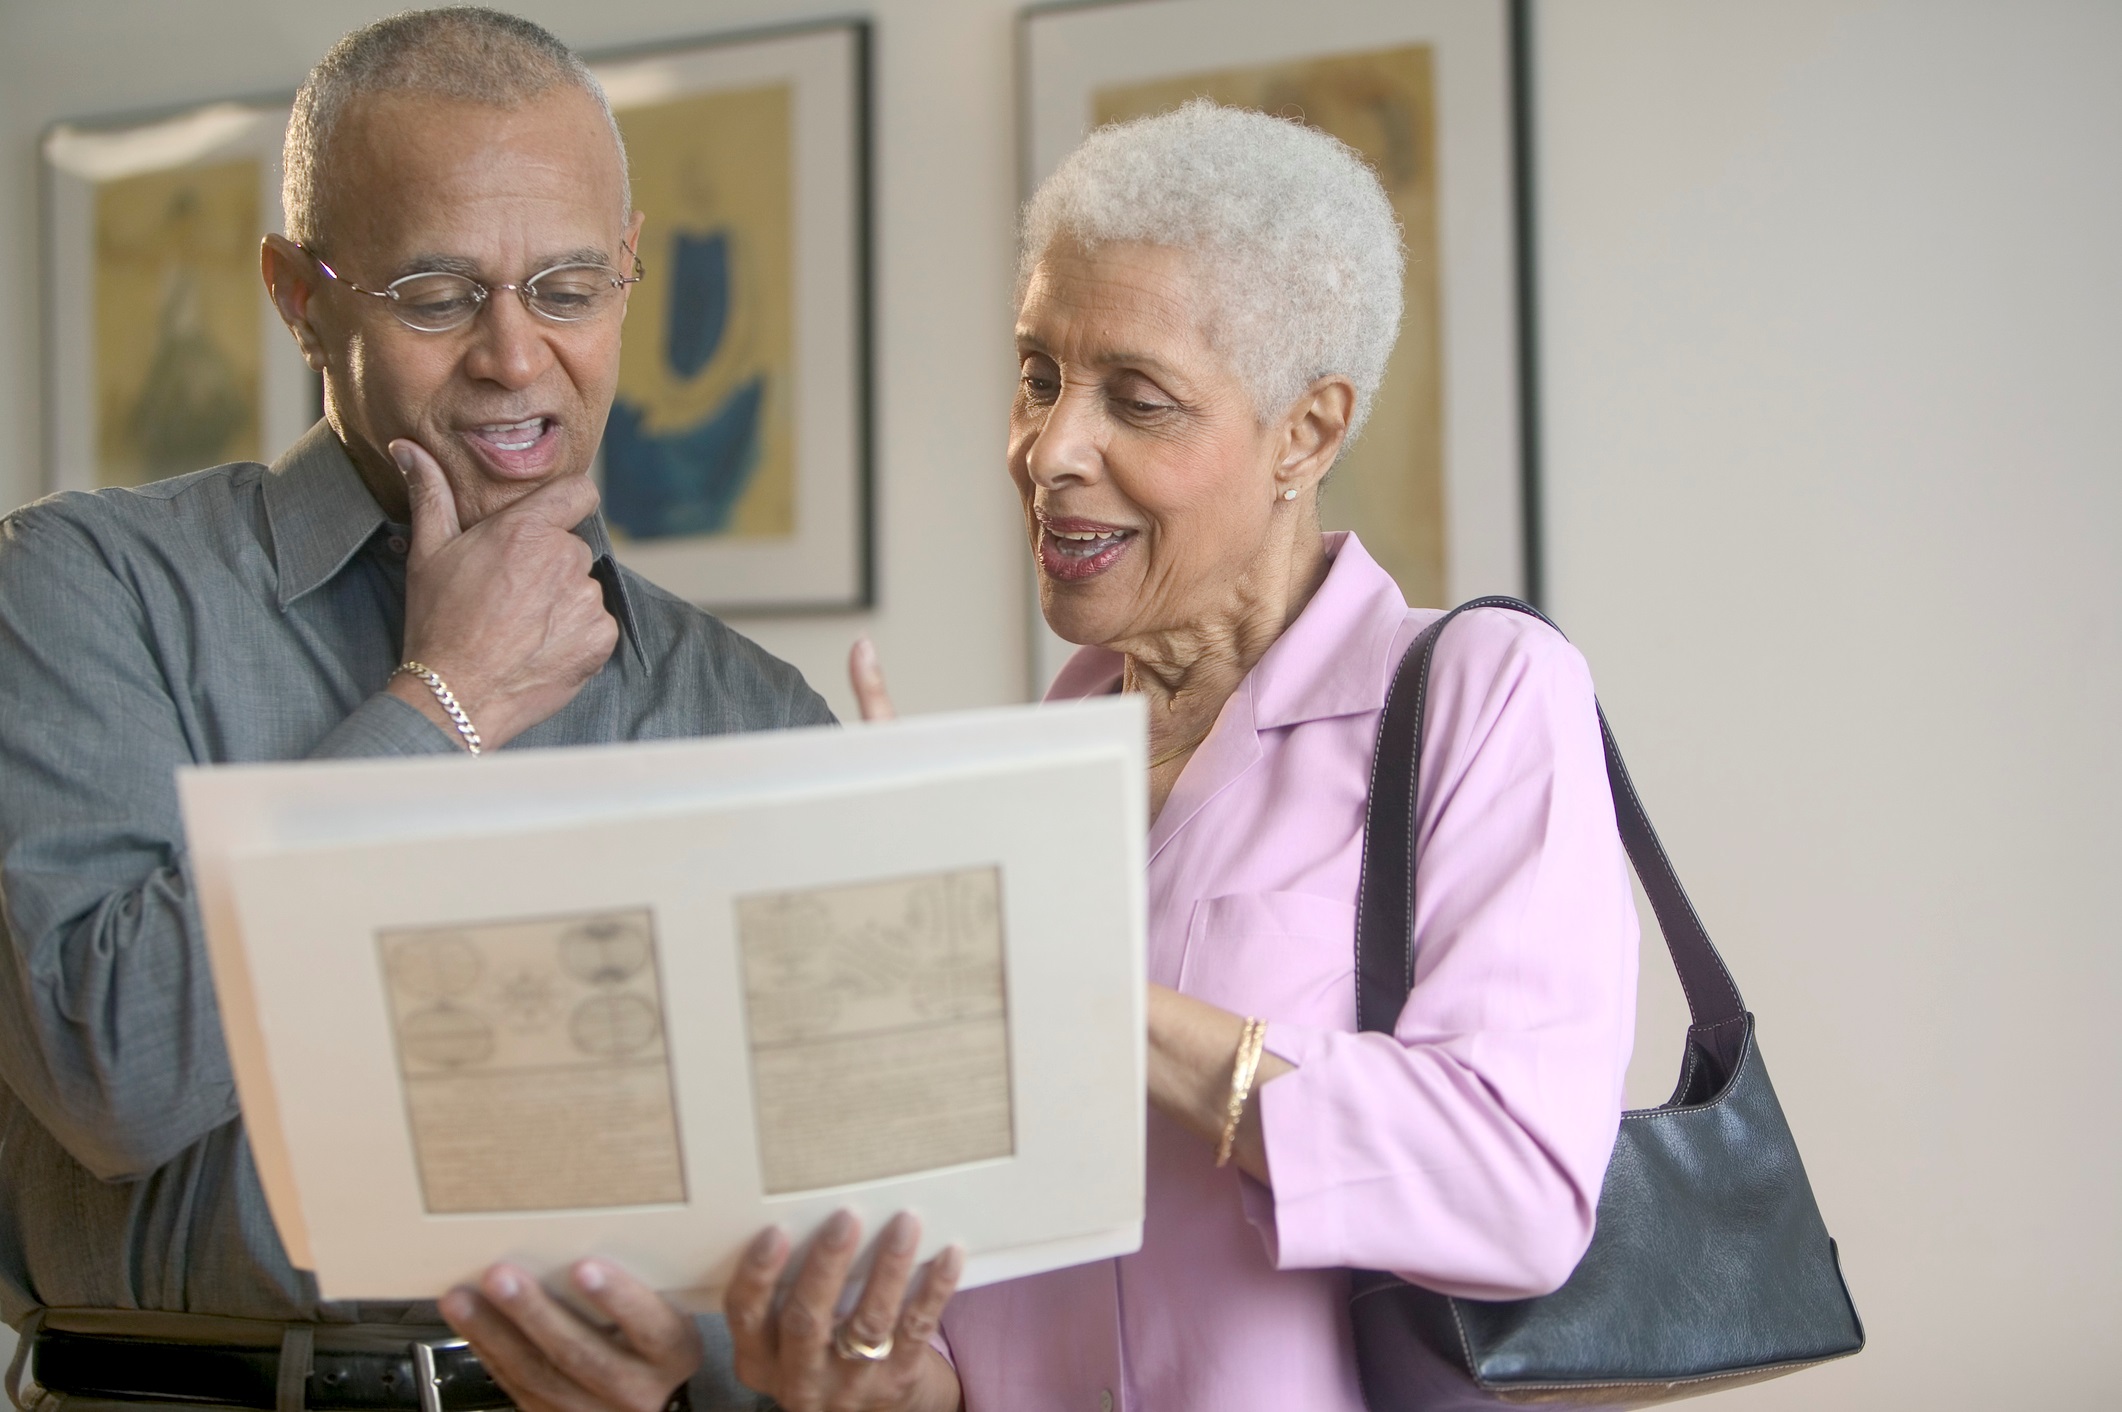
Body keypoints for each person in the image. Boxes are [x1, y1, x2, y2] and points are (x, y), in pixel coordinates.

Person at [467, 100, 1642, 1412]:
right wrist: (881, 1379)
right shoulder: (1044, 757)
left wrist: (1065, 982)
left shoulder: (1480, 694)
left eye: (1135, 400)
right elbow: (1003, 1315)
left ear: (1306, 433)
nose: (1047, 449)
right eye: (1037, 376)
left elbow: (1514, 1189)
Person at [0, 9, 827, 1409]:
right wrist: (440, 711)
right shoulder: (83, 589)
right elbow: (113, 1076)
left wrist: (699, 1367)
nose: (514, 357)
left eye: (566, 287)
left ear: (629, 270)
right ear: (294, 292)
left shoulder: (753, 715)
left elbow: (805, 1218)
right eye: (437, 295)